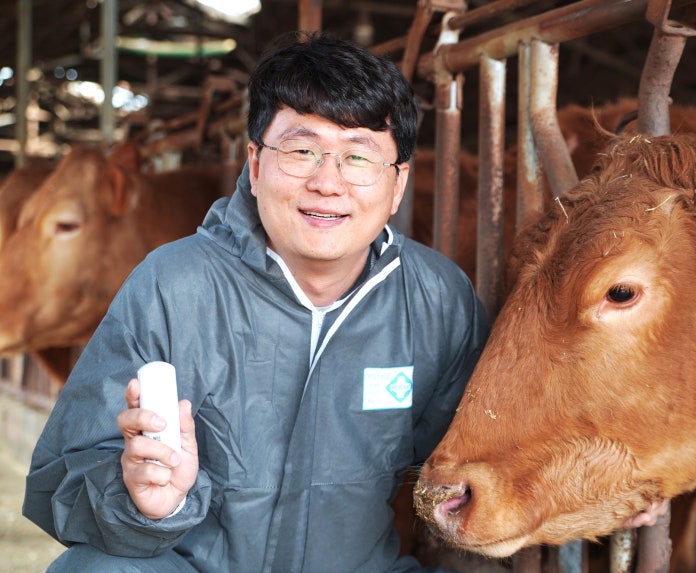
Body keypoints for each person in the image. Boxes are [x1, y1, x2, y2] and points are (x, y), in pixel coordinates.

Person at [23, 32, 489, 572]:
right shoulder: (174, 286)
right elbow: (66, 479)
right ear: (255, 164)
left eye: (359, 157)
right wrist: (149, 503)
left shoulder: (437, 299)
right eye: (301, 150)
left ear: (397, 184)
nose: (327, 183)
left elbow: (470, 461)